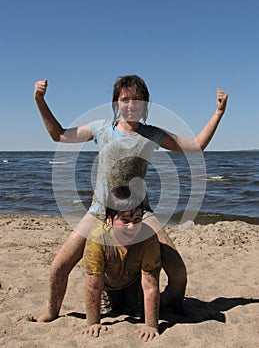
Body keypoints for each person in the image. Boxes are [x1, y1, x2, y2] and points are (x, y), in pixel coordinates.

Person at [34, 75, 228, 322]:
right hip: (99, 210)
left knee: (178, 270)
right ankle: (51, 313)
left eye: (137, 99)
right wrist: (40, 100)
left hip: (140, 212)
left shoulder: (152, 134)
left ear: (145, 104)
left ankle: (174, 303)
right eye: (125, 99)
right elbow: (58, 135)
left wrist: (218, 113)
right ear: (117, 102)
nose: (131, 105)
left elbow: (196, 145)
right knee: (59, 267)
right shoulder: (101, 129)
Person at [82, 186, 161, 342]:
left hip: (133, 282)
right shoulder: (98, 238)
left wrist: (151, 325)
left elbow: (150, 285)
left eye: (137, 220)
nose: (131, 226)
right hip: (107, 285)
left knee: (137, 312)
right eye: (125, 220)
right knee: (112, 311)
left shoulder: (148, 238)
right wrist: (93, 323)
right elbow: (93, 285)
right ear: (109, 220)